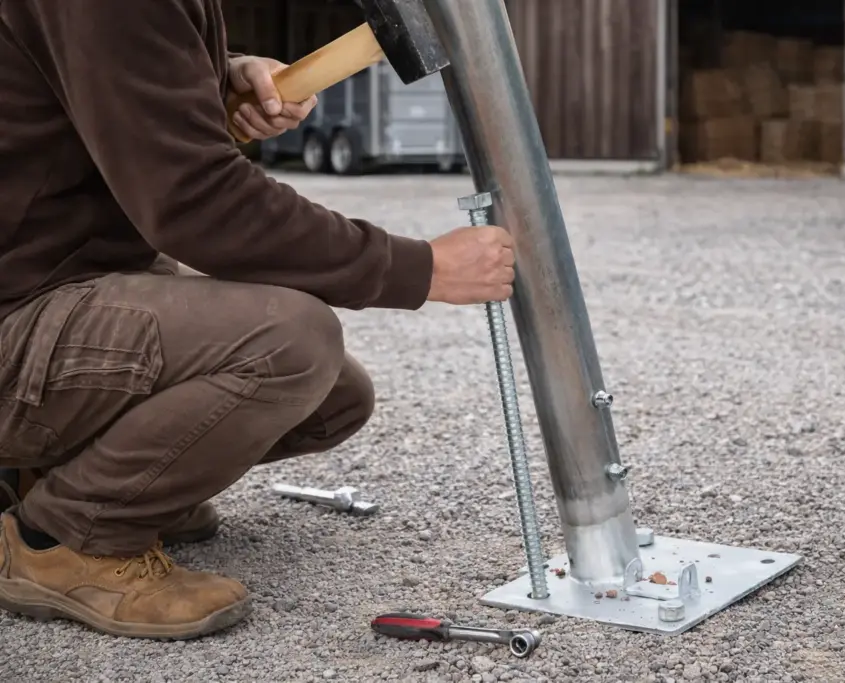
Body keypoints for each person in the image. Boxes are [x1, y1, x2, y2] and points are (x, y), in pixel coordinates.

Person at [0, 0, 514, 640]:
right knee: (288, 343)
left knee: (333, 398)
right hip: (18, 312)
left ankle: (56, 469)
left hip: (52, 278)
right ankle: (64, 537)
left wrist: (224, 75)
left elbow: (96, 69)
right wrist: (419, 268)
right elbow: (197, 202)